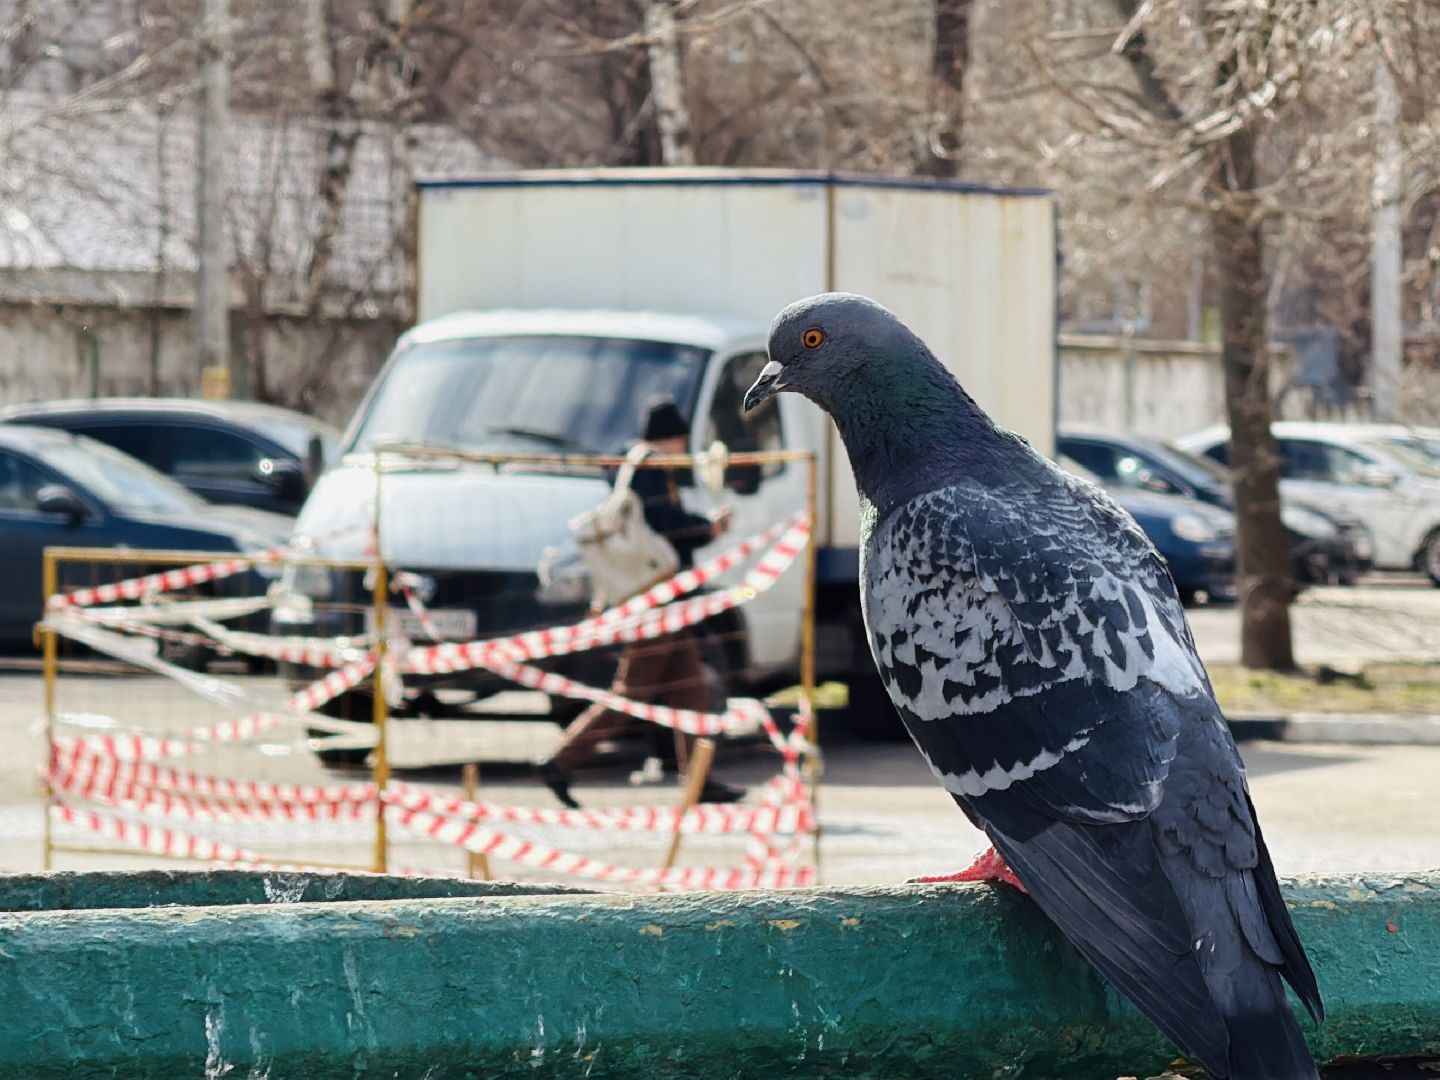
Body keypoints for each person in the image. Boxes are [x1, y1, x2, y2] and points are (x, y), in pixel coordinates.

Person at [536, 397, 742, 808]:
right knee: (632, 693)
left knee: (691, 689)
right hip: (655, 599)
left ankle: (698, 777)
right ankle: (560, 761)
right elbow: (666, 524)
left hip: (662, 598)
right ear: (675, 437)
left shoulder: (632, 466)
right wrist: (709, 528)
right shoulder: (649, 468)